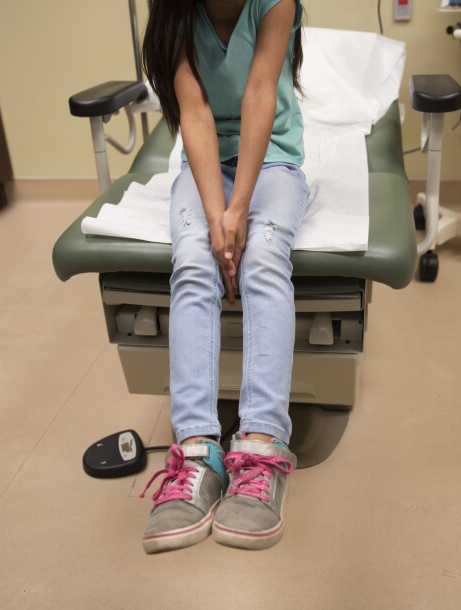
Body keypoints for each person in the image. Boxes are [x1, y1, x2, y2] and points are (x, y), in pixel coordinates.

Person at [138, 0, 307, 553]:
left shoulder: (274, 4)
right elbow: (195, 111)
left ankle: (261, 447)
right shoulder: (174, 11)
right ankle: (194, 454)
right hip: (203, 161)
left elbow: (259, 95)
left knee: (263, 256)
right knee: (193, 262)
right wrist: (217, 218)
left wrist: (240, 212)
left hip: (273, 157)